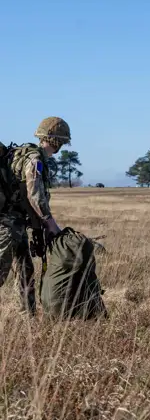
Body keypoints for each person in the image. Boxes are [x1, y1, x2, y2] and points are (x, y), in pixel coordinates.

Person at [0, 117, 71, 315]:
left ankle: (27, 319)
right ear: (57, 141)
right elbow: (35, 195)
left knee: (25, 271)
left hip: (17, 223)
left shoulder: (26, 154)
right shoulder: (35, 160)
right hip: (7, 224)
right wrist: (51, 224)